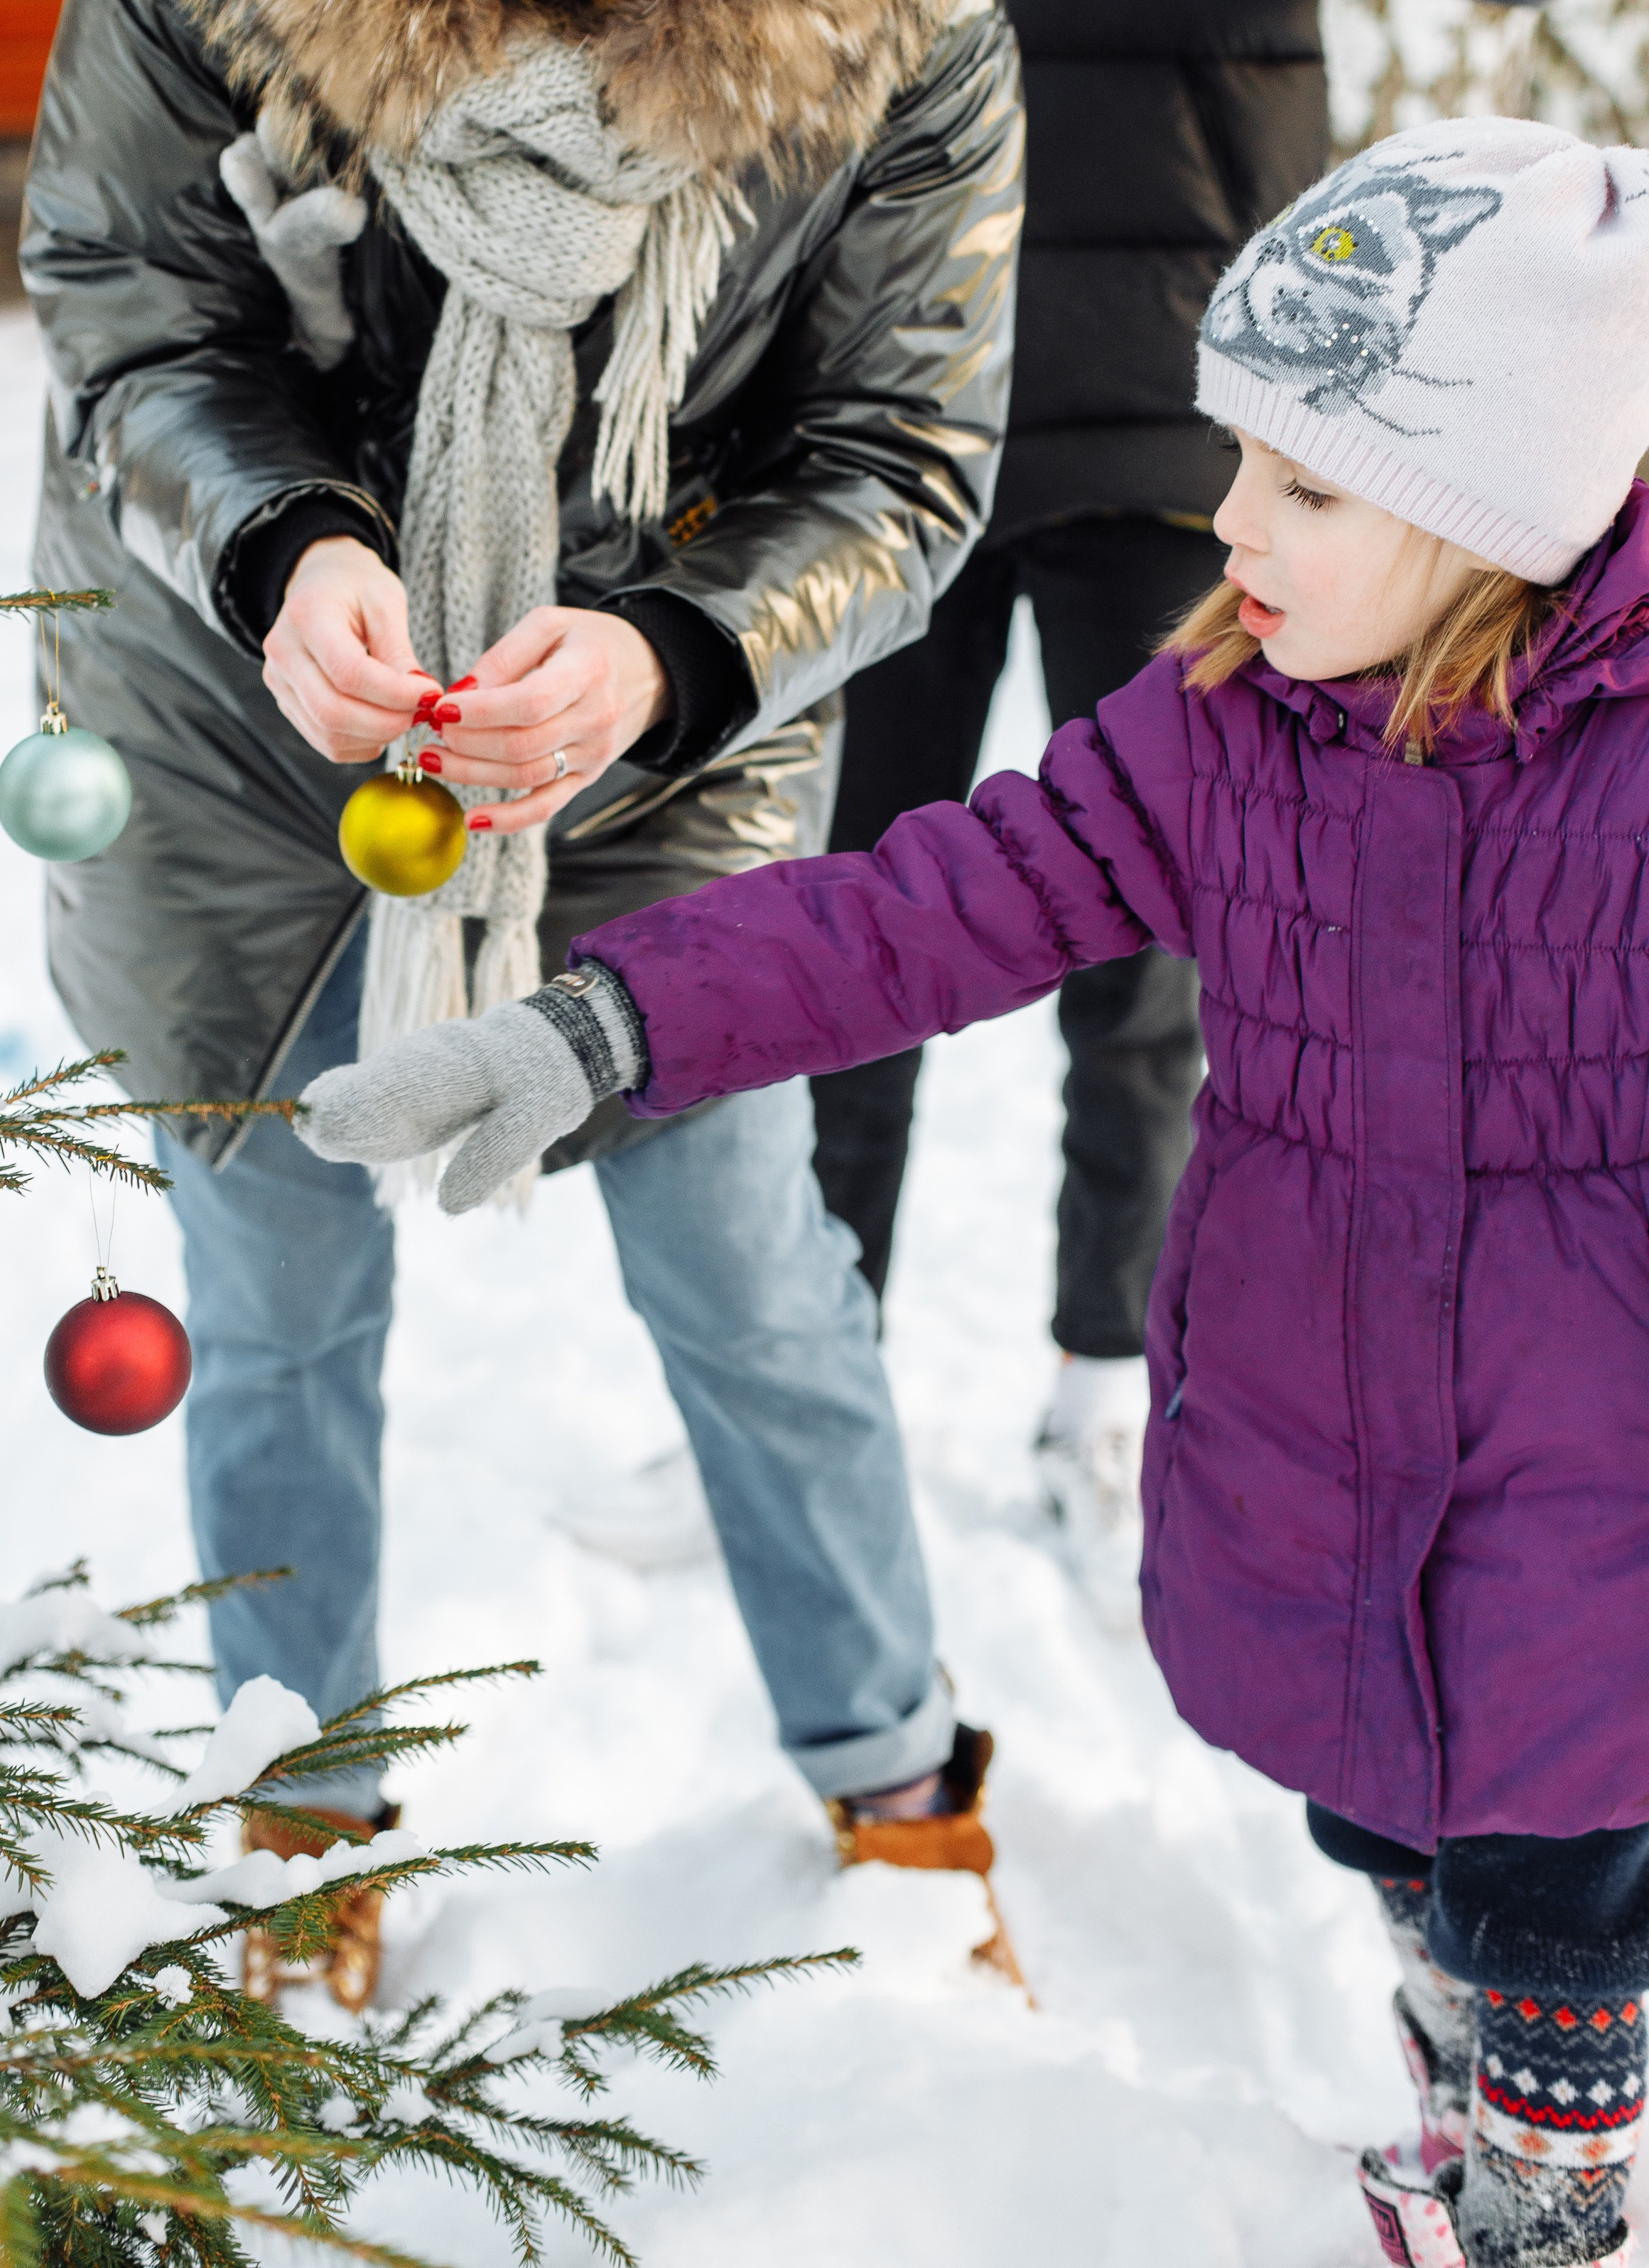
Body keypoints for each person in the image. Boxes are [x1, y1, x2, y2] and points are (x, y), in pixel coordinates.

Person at [301, 115, 1649, 2267]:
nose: (1235, 527)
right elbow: (942, 902)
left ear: (1498, 514)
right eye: (1241, 462)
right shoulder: (1230, 717)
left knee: (1566, 1864)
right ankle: (1462, 2043)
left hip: (1602, 1466)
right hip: (1328, 1430)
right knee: (1387, 1814)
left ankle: (1547, 2209)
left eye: (1305, 484)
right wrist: (610, 1025)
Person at [19, 0, 1032, 2005]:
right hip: (234, 704)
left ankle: (896, 1787)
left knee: (750, 1281)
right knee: (269, 1303)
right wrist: (275, 554)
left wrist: (679, 656)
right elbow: (123, 295)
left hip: (650, 739)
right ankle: (303, 1816)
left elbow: (906, 451)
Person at [805, 0, 1649, 1617]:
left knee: (1161, 969)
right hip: (874, 437)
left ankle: (1108, 1380)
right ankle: (804, 1372)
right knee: (847, 920)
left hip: (1189, 457)